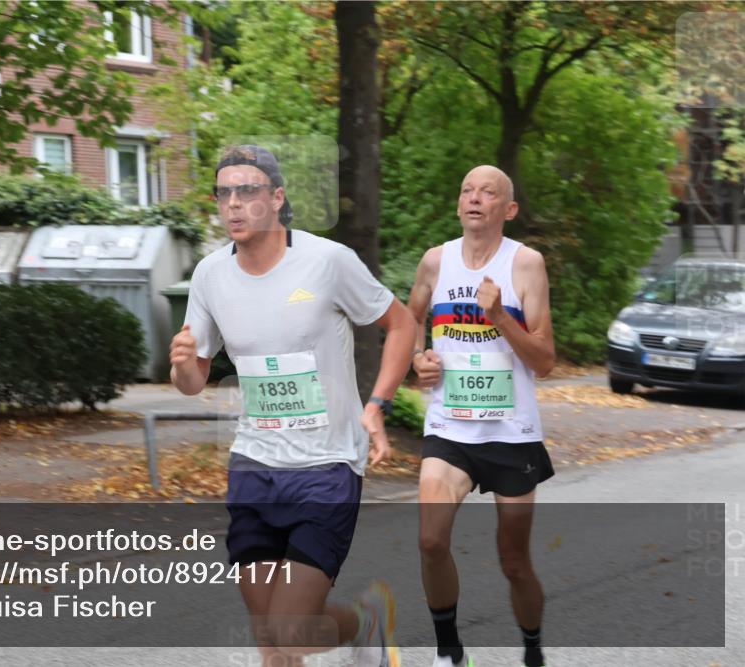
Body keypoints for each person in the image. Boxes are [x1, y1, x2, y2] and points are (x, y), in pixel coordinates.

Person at [170, 145, 414, 666]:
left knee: (291, 629)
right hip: (255, 465)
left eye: (247, 191)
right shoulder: (211, 274)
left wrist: (377, 404)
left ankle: (366, 622)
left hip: (326, 466)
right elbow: (192, 381)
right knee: (270, 637)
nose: (234, 204)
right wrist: (184, 363)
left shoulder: (327, 261)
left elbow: (401, 324)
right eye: (224, 193)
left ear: (277, 198)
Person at [406, 165, 556, 667]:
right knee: (430, 540)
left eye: (488, 192)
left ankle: (532, 650)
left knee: (514, 562)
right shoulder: (435, 261)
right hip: (450, 428)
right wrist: (418, 358)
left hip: (511, 434)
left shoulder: (526, 264)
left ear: (508, 209)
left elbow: (545, 361)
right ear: (458, 204)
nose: (474, 198)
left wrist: (500, 318)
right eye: (467, 190)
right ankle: (450, 653)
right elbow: (410, 320)